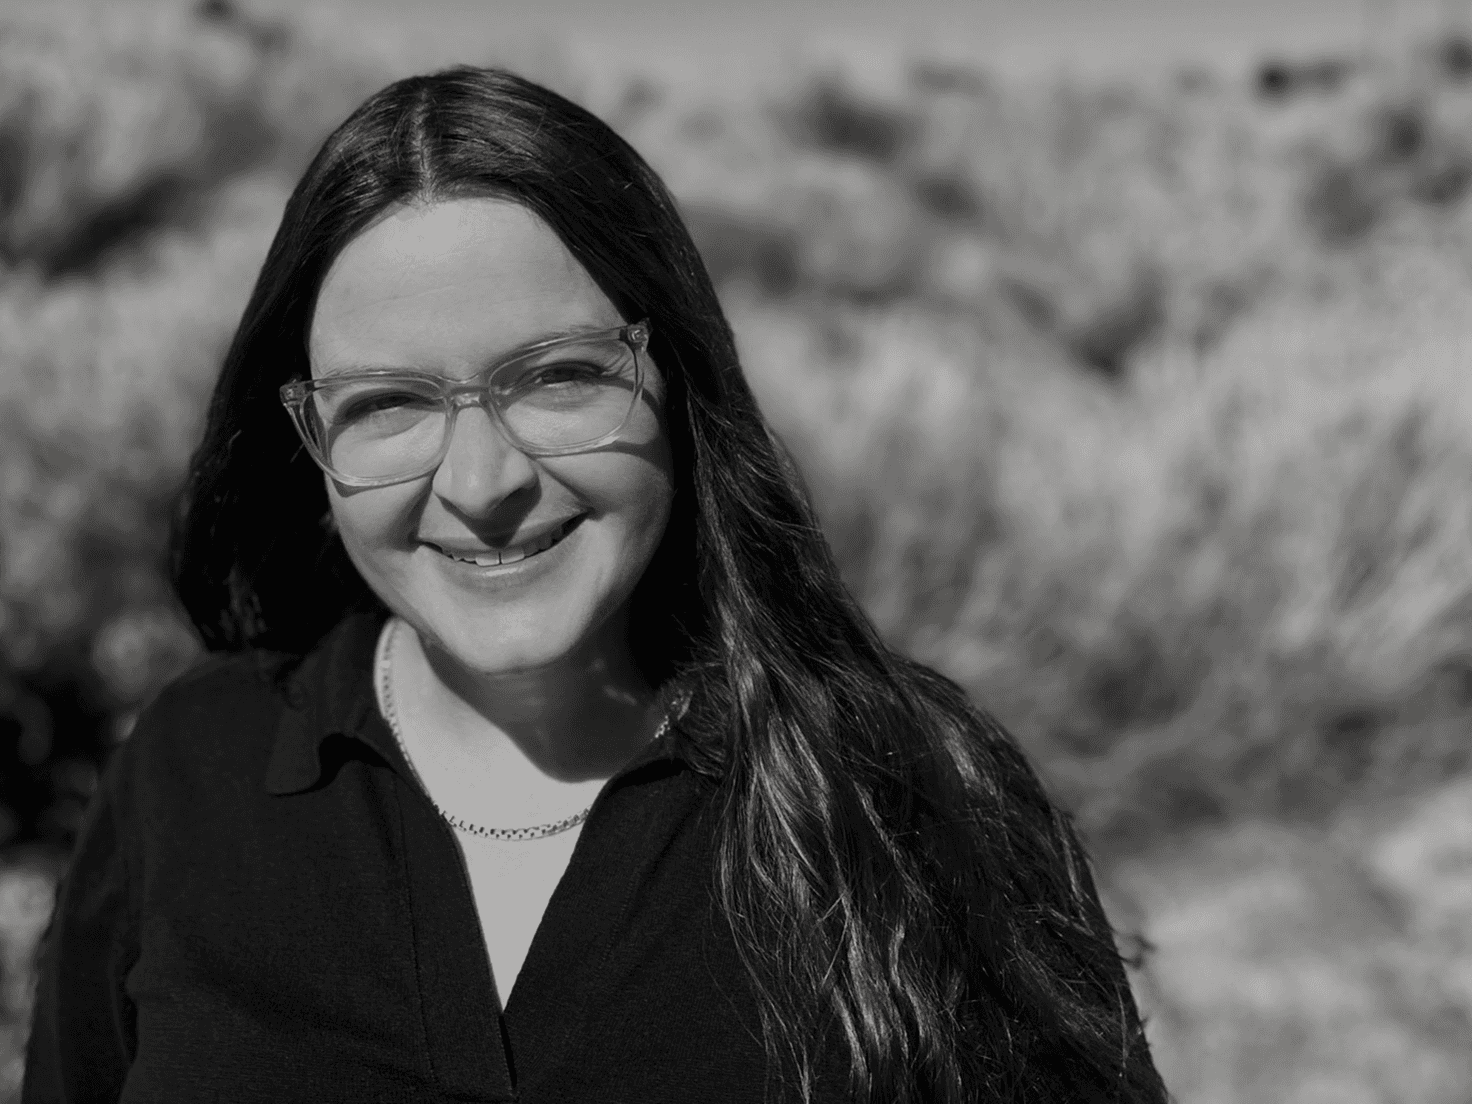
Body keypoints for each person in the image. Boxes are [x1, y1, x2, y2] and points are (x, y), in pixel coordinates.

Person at [23, 66, 1168, 1104]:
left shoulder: (907, 796)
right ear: (308, 444)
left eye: (557, 377)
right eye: (386, 404)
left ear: (676, 385)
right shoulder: (190, 773)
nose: (481, 483)